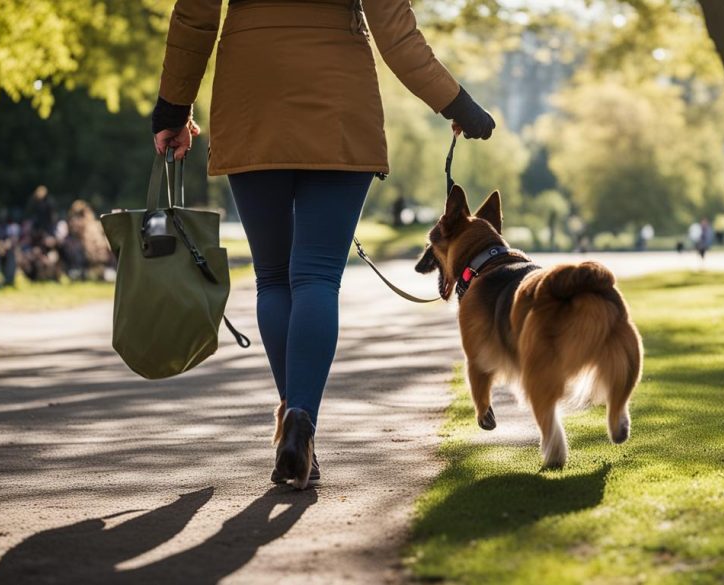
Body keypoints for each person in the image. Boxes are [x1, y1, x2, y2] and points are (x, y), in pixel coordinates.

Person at [152, 0, 495, 490]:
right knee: (315, 275)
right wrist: (455, 103)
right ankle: (301, 419)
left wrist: (174, 108)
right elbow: (395, 31)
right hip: (338, 100)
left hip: (252, 95)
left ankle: (295, 422)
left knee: (273, 277)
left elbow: (195, 16)